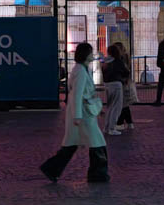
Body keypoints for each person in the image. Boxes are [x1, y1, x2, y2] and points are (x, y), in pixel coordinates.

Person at [40, 42, 109, 183]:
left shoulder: (83, 69)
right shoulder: (81, 71)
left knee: (71, 144)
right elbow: (77, 94)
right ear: (85, 55)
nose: (92, 55)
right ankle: (98, 174)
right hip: (83, 114)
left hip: (83, 112)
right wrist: (77, 116)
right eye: (90, 52)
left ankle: (52, 169)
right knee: (97, 141)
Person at [101, 44, 126, 136]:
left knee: (110, 107)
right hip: (116, 84)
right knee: (116, 107)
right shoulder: (118, 61)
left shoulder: (105, 61)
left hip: (107, 85)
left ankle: (107, 127)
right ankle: (112, 128)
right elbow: (125, 72)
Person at [113, 41, 137, 130]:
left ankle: (120, 123)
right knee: (124, 104)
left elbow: (124, 70)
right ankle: (129, 123)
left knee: (122, 104)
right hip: (125, 81)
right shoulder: (126, 56)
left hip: (122, 82)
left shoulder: (121, 58)